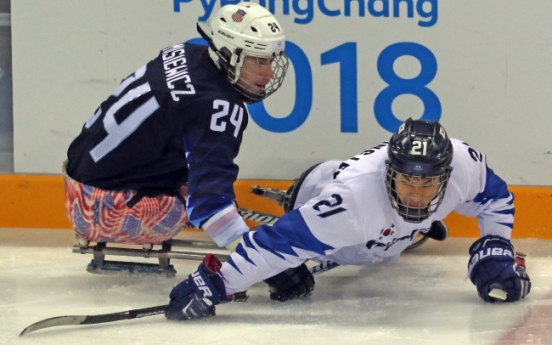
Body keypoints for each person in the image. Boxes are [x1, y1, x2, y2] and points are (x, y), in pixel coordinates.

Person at [164, 118, 532, 321]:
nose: (418, 194)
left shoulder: (464, 165)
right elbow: (278, 243)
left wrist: (496, 246)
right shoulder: (352, 203)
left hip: (380, 237)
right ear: (390, 173)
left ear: (447, 175)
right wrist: (217, 280)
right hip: (320, 197)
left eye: (428, 183)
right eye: (407, 181)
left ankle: (410, 232)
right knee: (314, 248)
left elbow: (497, 201)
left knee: (387, 247)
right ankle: (407, 231)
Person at [63, 3, 289, 260]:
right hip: (104, 211)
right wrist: (263, 263)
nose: (269, 73)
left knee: (195, 163)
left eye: (271, 60)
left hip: (80, 186)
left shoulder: (188, 53)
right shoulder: (216, 106)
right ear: (229, 54)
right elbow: (209, 203)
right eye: (259, 60)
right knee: (207, 201)